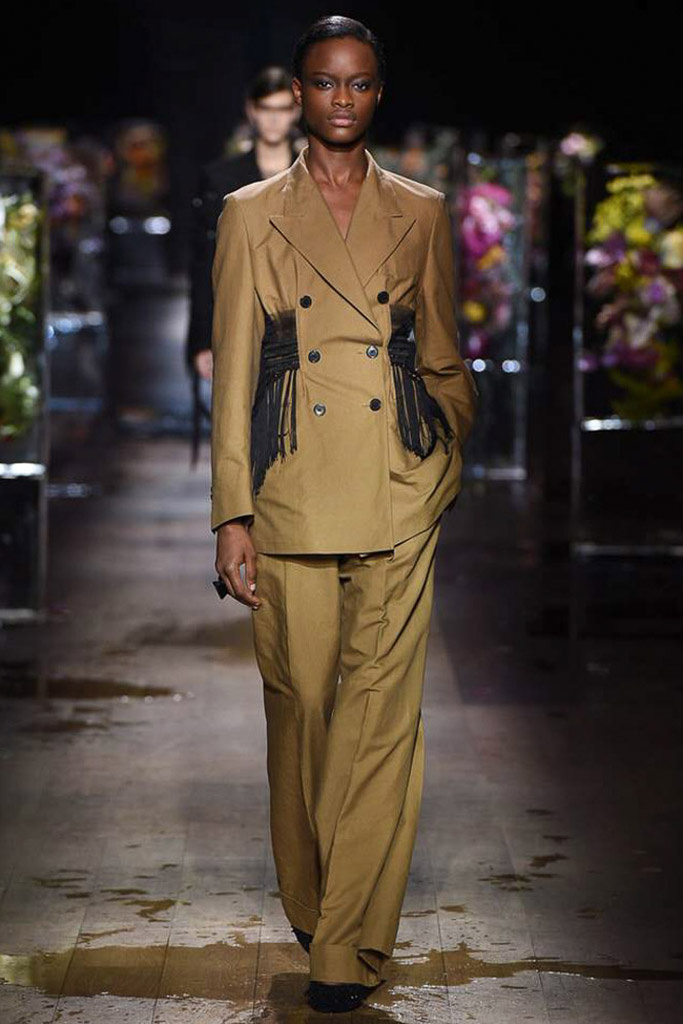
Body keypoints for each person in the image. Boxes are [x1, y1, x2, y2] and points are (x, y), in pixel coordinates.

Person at [211, 15, 478, 1014]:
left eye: (359, 84)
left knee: (381, 721)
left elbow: (441, 349)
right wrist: (230, 513)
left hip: (396, 490)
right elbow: (234, 375)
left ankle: (344, 943)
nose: (341, 100)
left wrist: (442, 452)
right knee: (301, 711)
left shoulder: (420, 209)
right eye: (324, 83)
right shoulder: (249, 215)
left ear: (377, 93)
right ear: (299, 90)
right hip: (290, 495)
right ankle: (316, 899)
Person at [185, 66, 300, 382]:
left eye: (282, 109)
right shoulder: (220, 179)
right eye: (266, 109)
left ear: (295, 112)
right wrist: (202, 341)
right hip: (241, 319)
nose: (274, 119)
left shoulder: (316, 178)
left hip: (303, 323)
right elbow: (206, 262)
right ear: (252, 111)